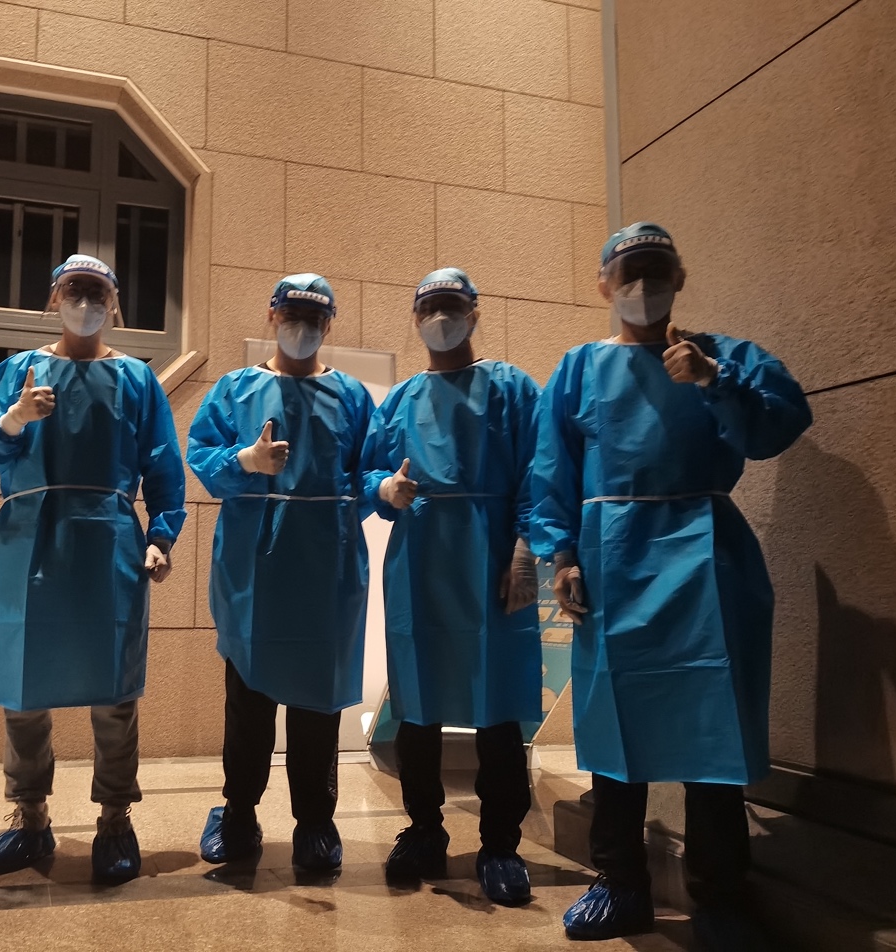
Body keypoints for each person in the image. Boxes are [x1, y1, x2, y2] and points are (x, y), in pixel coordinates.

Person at [532, 223, 812, 946]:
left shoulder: (724, 357)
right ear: (602, 283)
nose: (642, 286)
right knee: (613, 726)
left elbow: (779, 425)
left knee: (710, 730)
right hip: (610, 561)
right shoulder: (579, 369)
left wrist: (714, 381)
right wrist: (560, 556)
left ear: (679, 281)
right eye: (628, 273)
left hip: (703, 557)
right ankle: (619, 882)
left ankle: (719, 896)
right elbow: (550, 469)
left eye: (656, 272)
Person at [0, 254, 187, 885]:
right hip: (29, 536)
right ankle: (30, 818)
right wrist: (14, 419)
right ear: (53, 298)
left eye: (96, 292)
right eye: (73, 289)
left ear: (114, 304)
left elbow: (163, 465)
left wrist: (161, 535)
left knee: (114, 689)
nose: (85, 301)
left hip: (108, 539)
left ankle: (115, 819)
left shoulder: (136, 379)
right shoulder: (18, 372)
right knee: (24, 688)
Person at [361, 268, 542, 904]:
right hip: (420, 561)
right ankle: (424, 830)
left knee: (496, 707)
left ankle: (501, 844)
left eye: (452, 305)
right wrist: (384, 489)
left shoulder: (512, 388)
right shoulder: (402, 399)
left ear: (474, 313)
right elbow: (367, 471)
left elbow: (540, 471)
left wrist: (527, 546)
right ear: (416, 319)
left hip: (491, 556)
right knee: (418, 704)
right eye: (430, 307)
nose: (441, 317)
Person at [187, 273, 374, 873]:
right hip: (255, 575)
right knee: (249, 701)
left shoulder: (351, 397)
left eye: (314, 319)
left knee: (317, 704)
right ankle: (238, 812)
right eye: (292, 315)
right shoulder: (236, 389)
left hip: (325, 571)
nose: (303, 327)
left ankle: (315, 821)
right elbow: (201, 457)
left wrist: (383, 490)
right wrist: (246, 459)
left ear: (329, 324)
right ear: (271, 316)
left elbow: (368, 472)